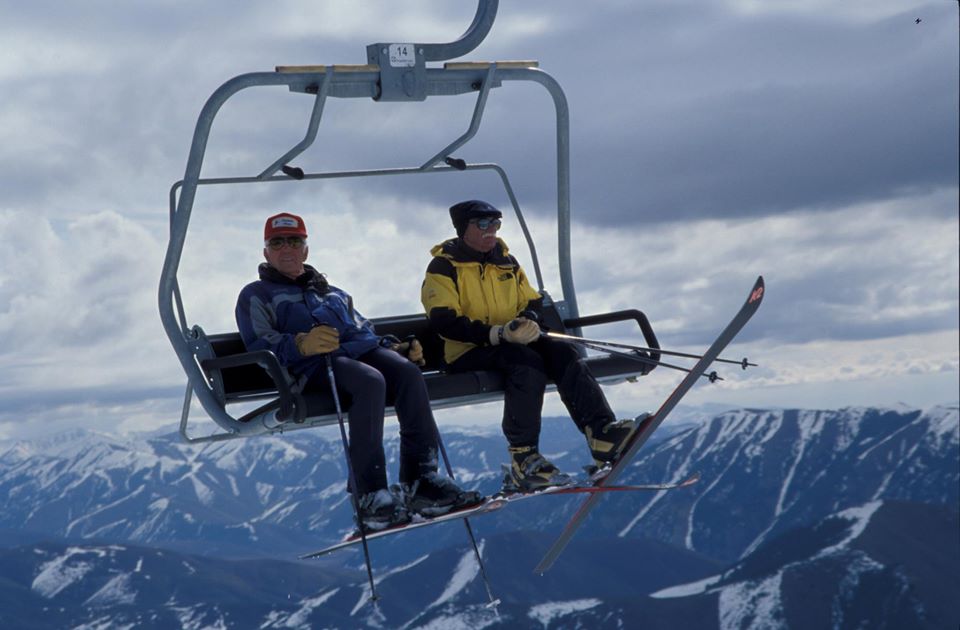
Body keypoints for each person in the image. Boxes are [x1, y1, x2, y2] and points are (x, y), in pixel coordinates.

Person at [236, 212, 481, 530]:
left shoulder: (330, 290)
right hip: (310, 371)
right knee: (370, 381)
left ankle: (422, 479)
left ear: (306, 249)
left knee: (406, 372)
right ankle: (370, 493)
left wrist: (393, 348)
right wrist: (300, 344)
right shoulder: (255, 295)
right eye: (277, 242)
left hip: (352, 358)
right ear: (266, 251)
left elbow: (362, 330)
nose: (287, 249)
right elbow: (258, 345)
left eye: (295, 241)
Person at [421, 200, 650, 491]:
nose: (491, 230)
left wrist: (528, 320)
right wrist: (499, 333)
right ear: (463, 228)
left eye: (496, 223)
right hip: (466, 351)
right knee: (525, 363)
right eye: (483, 224)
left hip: (511, 342)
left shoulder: (506, 261)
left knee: (563, 352)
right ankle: (523, 458)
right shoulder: (444, 267)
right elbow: (444, 321)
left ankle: (601, 432)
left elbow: (531, 300)